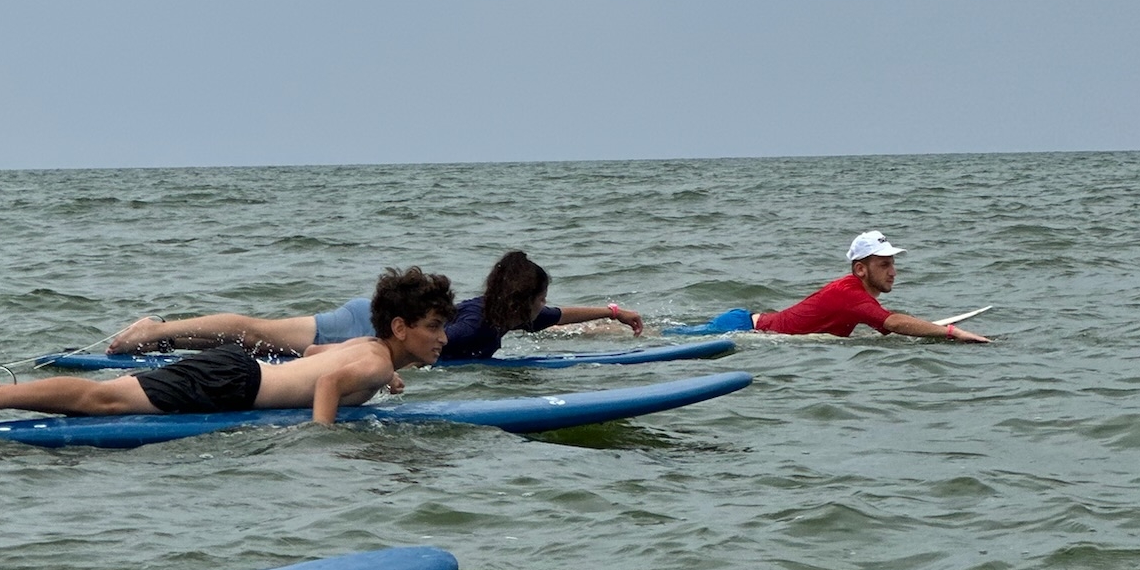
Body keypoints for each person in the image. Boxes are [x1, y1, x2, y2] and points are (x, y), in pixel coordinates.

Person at [0, 266, 458, 428]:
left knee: (106, 398)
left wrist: (385, 377)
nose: (443, 337)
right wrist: (324, 439)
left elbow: (320, 360)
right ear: (402, 327)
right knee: (104, 401)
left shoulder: (369, 348)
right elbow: (330, 381)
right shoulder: (369, 356)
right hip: (231, 383)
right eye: (434, 326)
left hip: (239, 374)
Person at [105, 250, 643, 361]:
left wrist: (613, 314)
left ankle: (170, 341)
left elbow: (562, 315)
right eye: (541, 298)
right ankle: (155, 328)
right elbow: (412, 342)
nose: (546, 307)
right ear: (522, 299)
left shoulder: (508, 316)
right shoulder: (475, 322)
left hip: (383, 326)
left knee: (258, 342)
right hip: (368, 324)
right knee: (258, 331)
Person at [682, 232, 991, 342]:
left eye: (893, 263)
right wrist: (952, 333)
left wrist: (923, 330)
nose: (893, 272)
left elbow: (886, 323)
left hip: (751, 322)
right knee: (664, 338)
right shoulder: (850, 294)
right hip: (740, 327)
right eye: (884, 265)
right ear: (861, 269)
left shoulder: (858, 296)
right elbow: (893, 322)